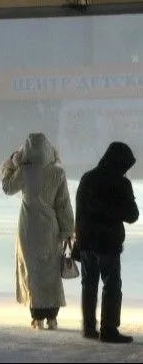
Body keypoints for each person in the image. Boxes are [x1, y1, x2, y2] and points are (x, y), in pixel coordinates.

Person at [0, 132, 74, 330]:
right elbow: (64, 204)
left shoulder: (25, 171)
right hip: (51, 228)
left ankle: (37, 317)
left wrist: (10, 165)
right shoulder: (58, 173)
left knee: (33, 272)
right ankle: (52, 317)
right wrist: (67, 231)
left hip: (29, 228)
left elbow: (7, 188)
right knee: (51, 271)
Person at [75, 141, 139, 343]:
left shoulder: (87, 178)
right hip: (108, 243)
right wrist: (114, 209)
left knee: (89, 285)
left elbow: (79, 212)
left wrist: (79, 240)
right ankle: (109, 329)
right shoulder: (121, 183)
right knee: (111, 286)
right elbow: (132, 215)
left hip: (86, 242)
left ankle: (88, 327)